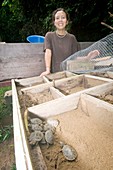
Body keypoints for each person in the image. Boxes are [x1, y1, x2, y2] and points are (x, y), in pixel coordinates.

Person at [40, 8, 80, 76]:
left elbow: (76, 57)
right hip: (55, 75)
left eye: (63, 17)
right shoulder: (49, 36)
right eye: (57, 18)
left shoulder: (72, 38)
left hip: (69, 75)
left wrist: (88, 57)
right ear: (54, 22)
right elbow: (48, 52)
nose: (60, 20)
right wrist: (47, 70)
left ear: (67, 21)